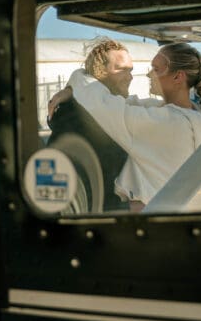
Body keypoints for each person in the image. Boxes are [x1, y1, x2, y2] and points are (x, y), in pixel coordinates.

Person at [66, 42, 201, 211]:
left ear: (177, 77)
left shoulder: (164, 122)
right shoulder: (198, 119)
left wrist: (78, 76)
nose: (148, 74)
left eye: (156, 69)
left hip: (153, 220)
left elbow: (100, 104)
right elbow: (130, 104)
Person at [46, 37, 136, 212]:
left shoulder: (111, 107)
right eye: (121, 70)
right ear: (99, 72)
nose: (130, 77)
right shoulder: (76, 115)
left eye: (130, 70)